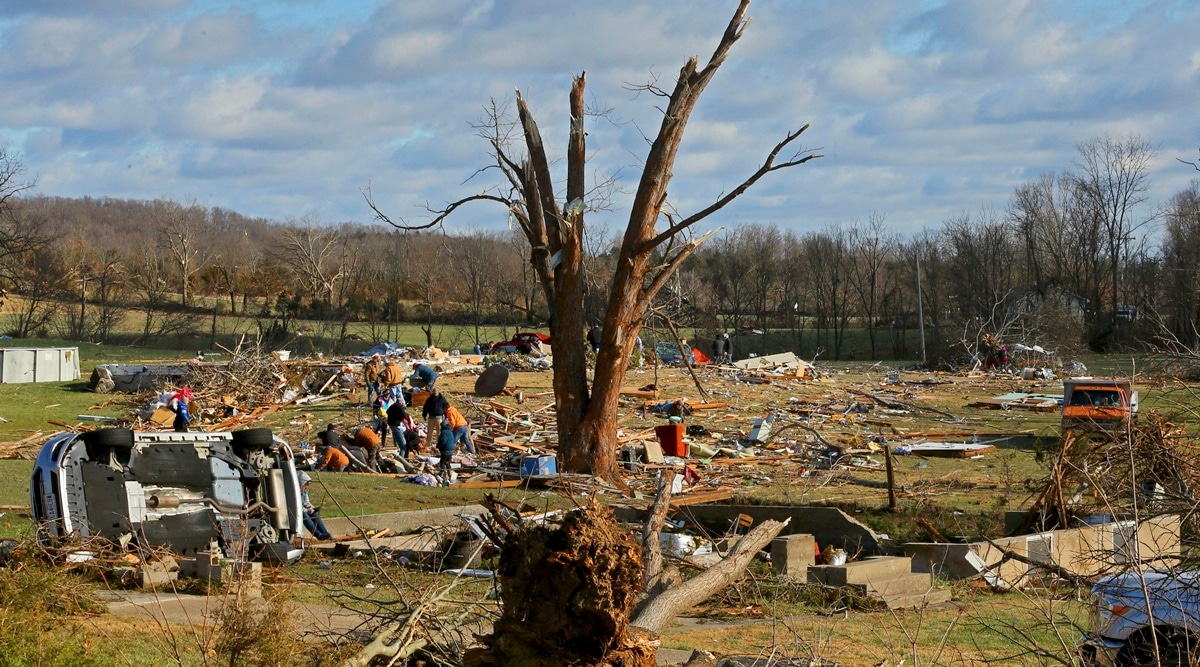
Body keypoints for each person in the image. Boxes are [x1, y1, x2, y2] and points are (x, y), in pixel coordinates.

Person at [297, 471, 332, 540]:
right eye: (305, 485)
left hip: (304, 509)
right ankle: (318, 535)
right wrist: (307, 510)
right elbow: (297, 506)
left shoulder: (304, 491)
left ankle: (325, 533)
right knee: (305, 516)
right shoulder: (295, 492)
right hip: (297, 510)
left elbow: (306, 502)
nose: (306, 487)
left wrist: (312, 508)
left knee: (315, 514)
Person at [422, 387, 449, 461]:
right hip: (431, 417)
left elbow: (446, 408)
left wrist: (446, 417)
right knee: (429, 432)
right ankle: (428, 445)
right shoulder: (429, 399)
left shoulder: (442, 399)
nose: (435, 394)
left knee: (439, 432)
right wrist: (424, 415)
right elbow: (425, 407)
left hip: (439, 417)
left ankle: (438, 445)